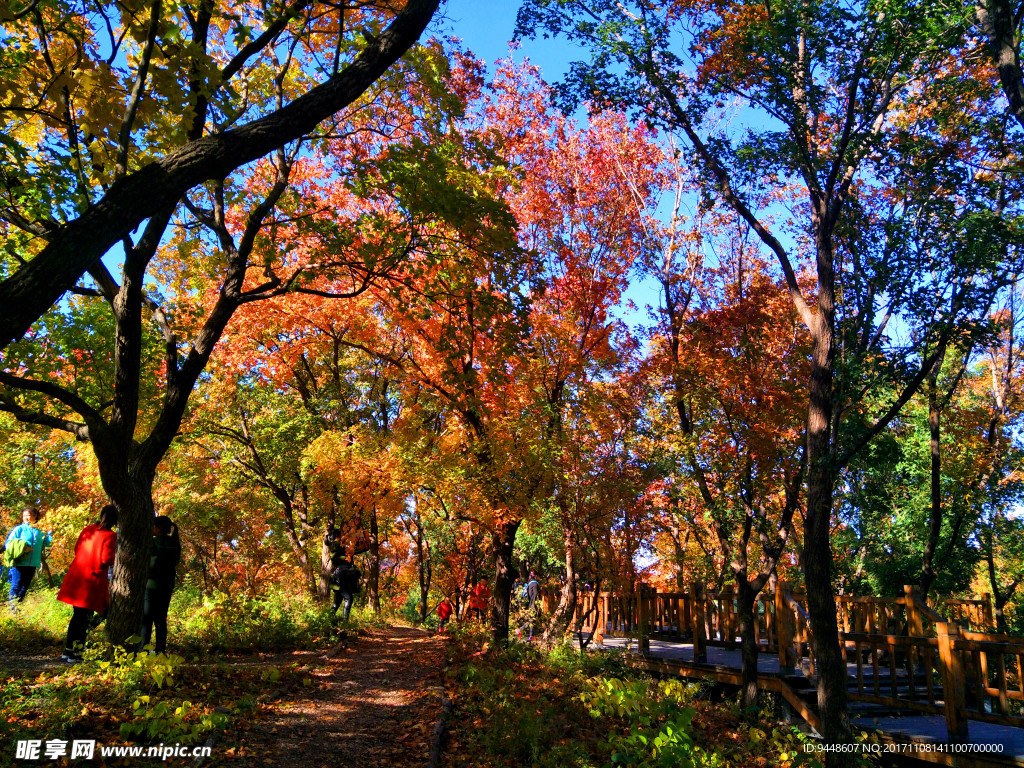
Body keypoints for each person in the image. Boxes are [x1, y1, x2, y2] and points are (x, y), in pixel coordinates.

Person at [57, 505, 117, 662]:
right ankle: (76, 653)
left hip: (77, 575)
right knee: (84, 618)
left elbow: (77, 548)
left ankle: (68, 650)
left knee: (77, 616)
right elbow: (107, 559)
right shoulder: (110, 535)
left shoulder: (88, 529)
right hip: (92, 580)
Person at [139, 516, 180, 654]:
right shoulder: (174, 543)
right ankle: (160, 650)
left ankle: (144, 648)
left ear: (159, 528)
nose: (152, 528)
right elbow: (175, 562)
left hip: (150, 585)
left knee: (147, 617)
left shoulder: (152, 542)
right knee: (161, 619)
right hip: (167, 585)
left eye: (154, 526)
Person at [5, 507, 53, 608]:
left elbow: (48, 543)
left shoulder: (40, 531)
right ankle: (13, 611)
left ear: (35, 516)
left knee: (24, 587)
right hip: (19, 562)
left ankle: (18, 609)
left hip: (33, 563)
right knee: (16, 586)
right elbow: (8, 543)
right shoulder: (19, 529)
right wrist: (23, 548)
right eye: (24, 516)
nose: (25, 517)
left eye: (28, 515)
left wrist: (50, 533)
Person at [325, 527, 360, 621]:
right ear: (337, 536)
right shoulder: (334, 545)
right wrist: (351, 531)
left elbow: (348, 553)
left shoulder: (338, 547)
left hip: (340, 575)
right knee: (349, 598)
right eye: (340, 535)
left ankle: (327, 621)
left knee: (337, 603)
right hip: (341, 575)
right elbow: (344, 538)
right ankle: (345, 623)